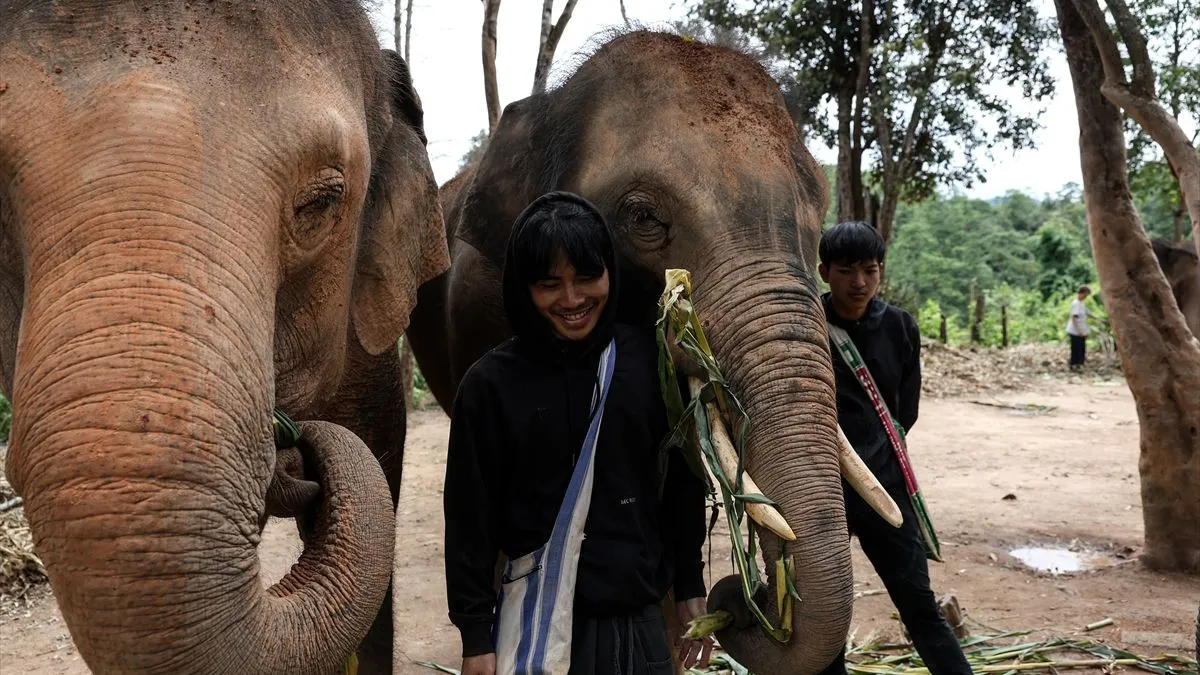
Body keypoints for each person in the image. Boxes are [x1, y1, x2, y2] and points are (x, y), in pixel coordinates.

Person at [443, 191, 711, 675]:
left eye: (588, 278)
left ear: (611, 270)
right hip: (537, 630)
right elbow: (469, 520)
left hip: (639, 621)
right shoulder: (490, 387)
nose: (572, 301)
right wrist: (475, 637)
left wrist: (690, 583)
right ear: (524, 289)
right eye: (550, 285)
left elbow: (680, 482)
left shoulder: (647, 362)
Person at [817, 221, 971, 675]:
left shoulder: (901, 326)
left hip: (887, 490)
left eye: (870, 270)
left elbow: (906, 410)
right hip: (823, 493)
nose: (859, 282)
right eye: (846, 270)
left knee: (919, 606)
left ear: (881, 271)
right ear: (825, 271)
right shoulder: (806, 321)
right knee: (825, 611)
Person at [1066, 286, 1091, 370]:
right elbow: (1074, 317)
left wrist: (1099, 319)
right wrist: (1079, 330)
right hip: (1075, 330)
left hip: (1080, 330)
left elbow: (1087, 312)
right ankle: (1074, 364)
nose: (1085, 297)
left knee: (1081, 347)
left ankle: (1079, 364)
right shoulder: (1076, 303)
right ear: (1081, 293)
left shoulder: (1081, 303)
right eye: (1085, 295)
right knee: (1077, 348)